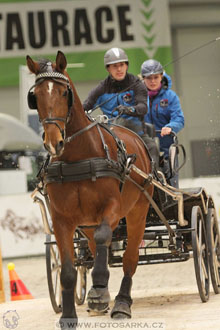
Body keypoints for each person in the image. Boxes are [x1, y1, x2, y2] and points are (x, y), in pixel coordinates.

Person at [83, 47, 159, 169]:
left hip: (137, 135)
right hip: (111, 137)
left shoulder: (137, 84)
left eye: (122, 65)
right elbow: (85, 107)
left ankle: (156, 181)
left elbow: (143, 107)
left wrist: (129, 109)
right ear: (108, 68)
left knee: (152, 147)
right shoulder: (101, 89)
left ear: (126, 66)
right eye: (115, 66)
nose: (119, 69)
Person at [141, 59, 184, 187]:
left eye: (156, 77)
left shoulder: (171, 97)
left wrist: (170, 127)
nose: (153, 81)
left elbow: (179, 119)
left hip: (167, 146)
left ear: (161, 76)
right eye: (149, 78)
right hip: (145, 146)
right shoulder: (138, 97)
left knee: (171, 179)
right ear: (143, 79)